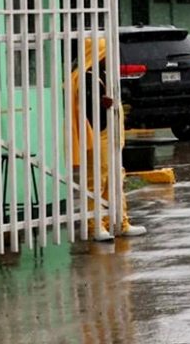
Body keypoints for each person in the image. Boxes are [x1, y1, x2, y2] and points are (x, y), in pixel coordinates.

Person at [70, 38, 146, 242]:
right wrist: (100, 103)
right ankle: (95, 223)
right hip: (97, 134)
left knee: (115, 178)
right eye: (105, 55)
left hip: (111, 134)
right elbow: (85, 107)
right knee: (96, 179)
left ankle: (119, 221)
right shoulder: (84, 77)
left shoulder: (101, 75)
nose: (109, 59)